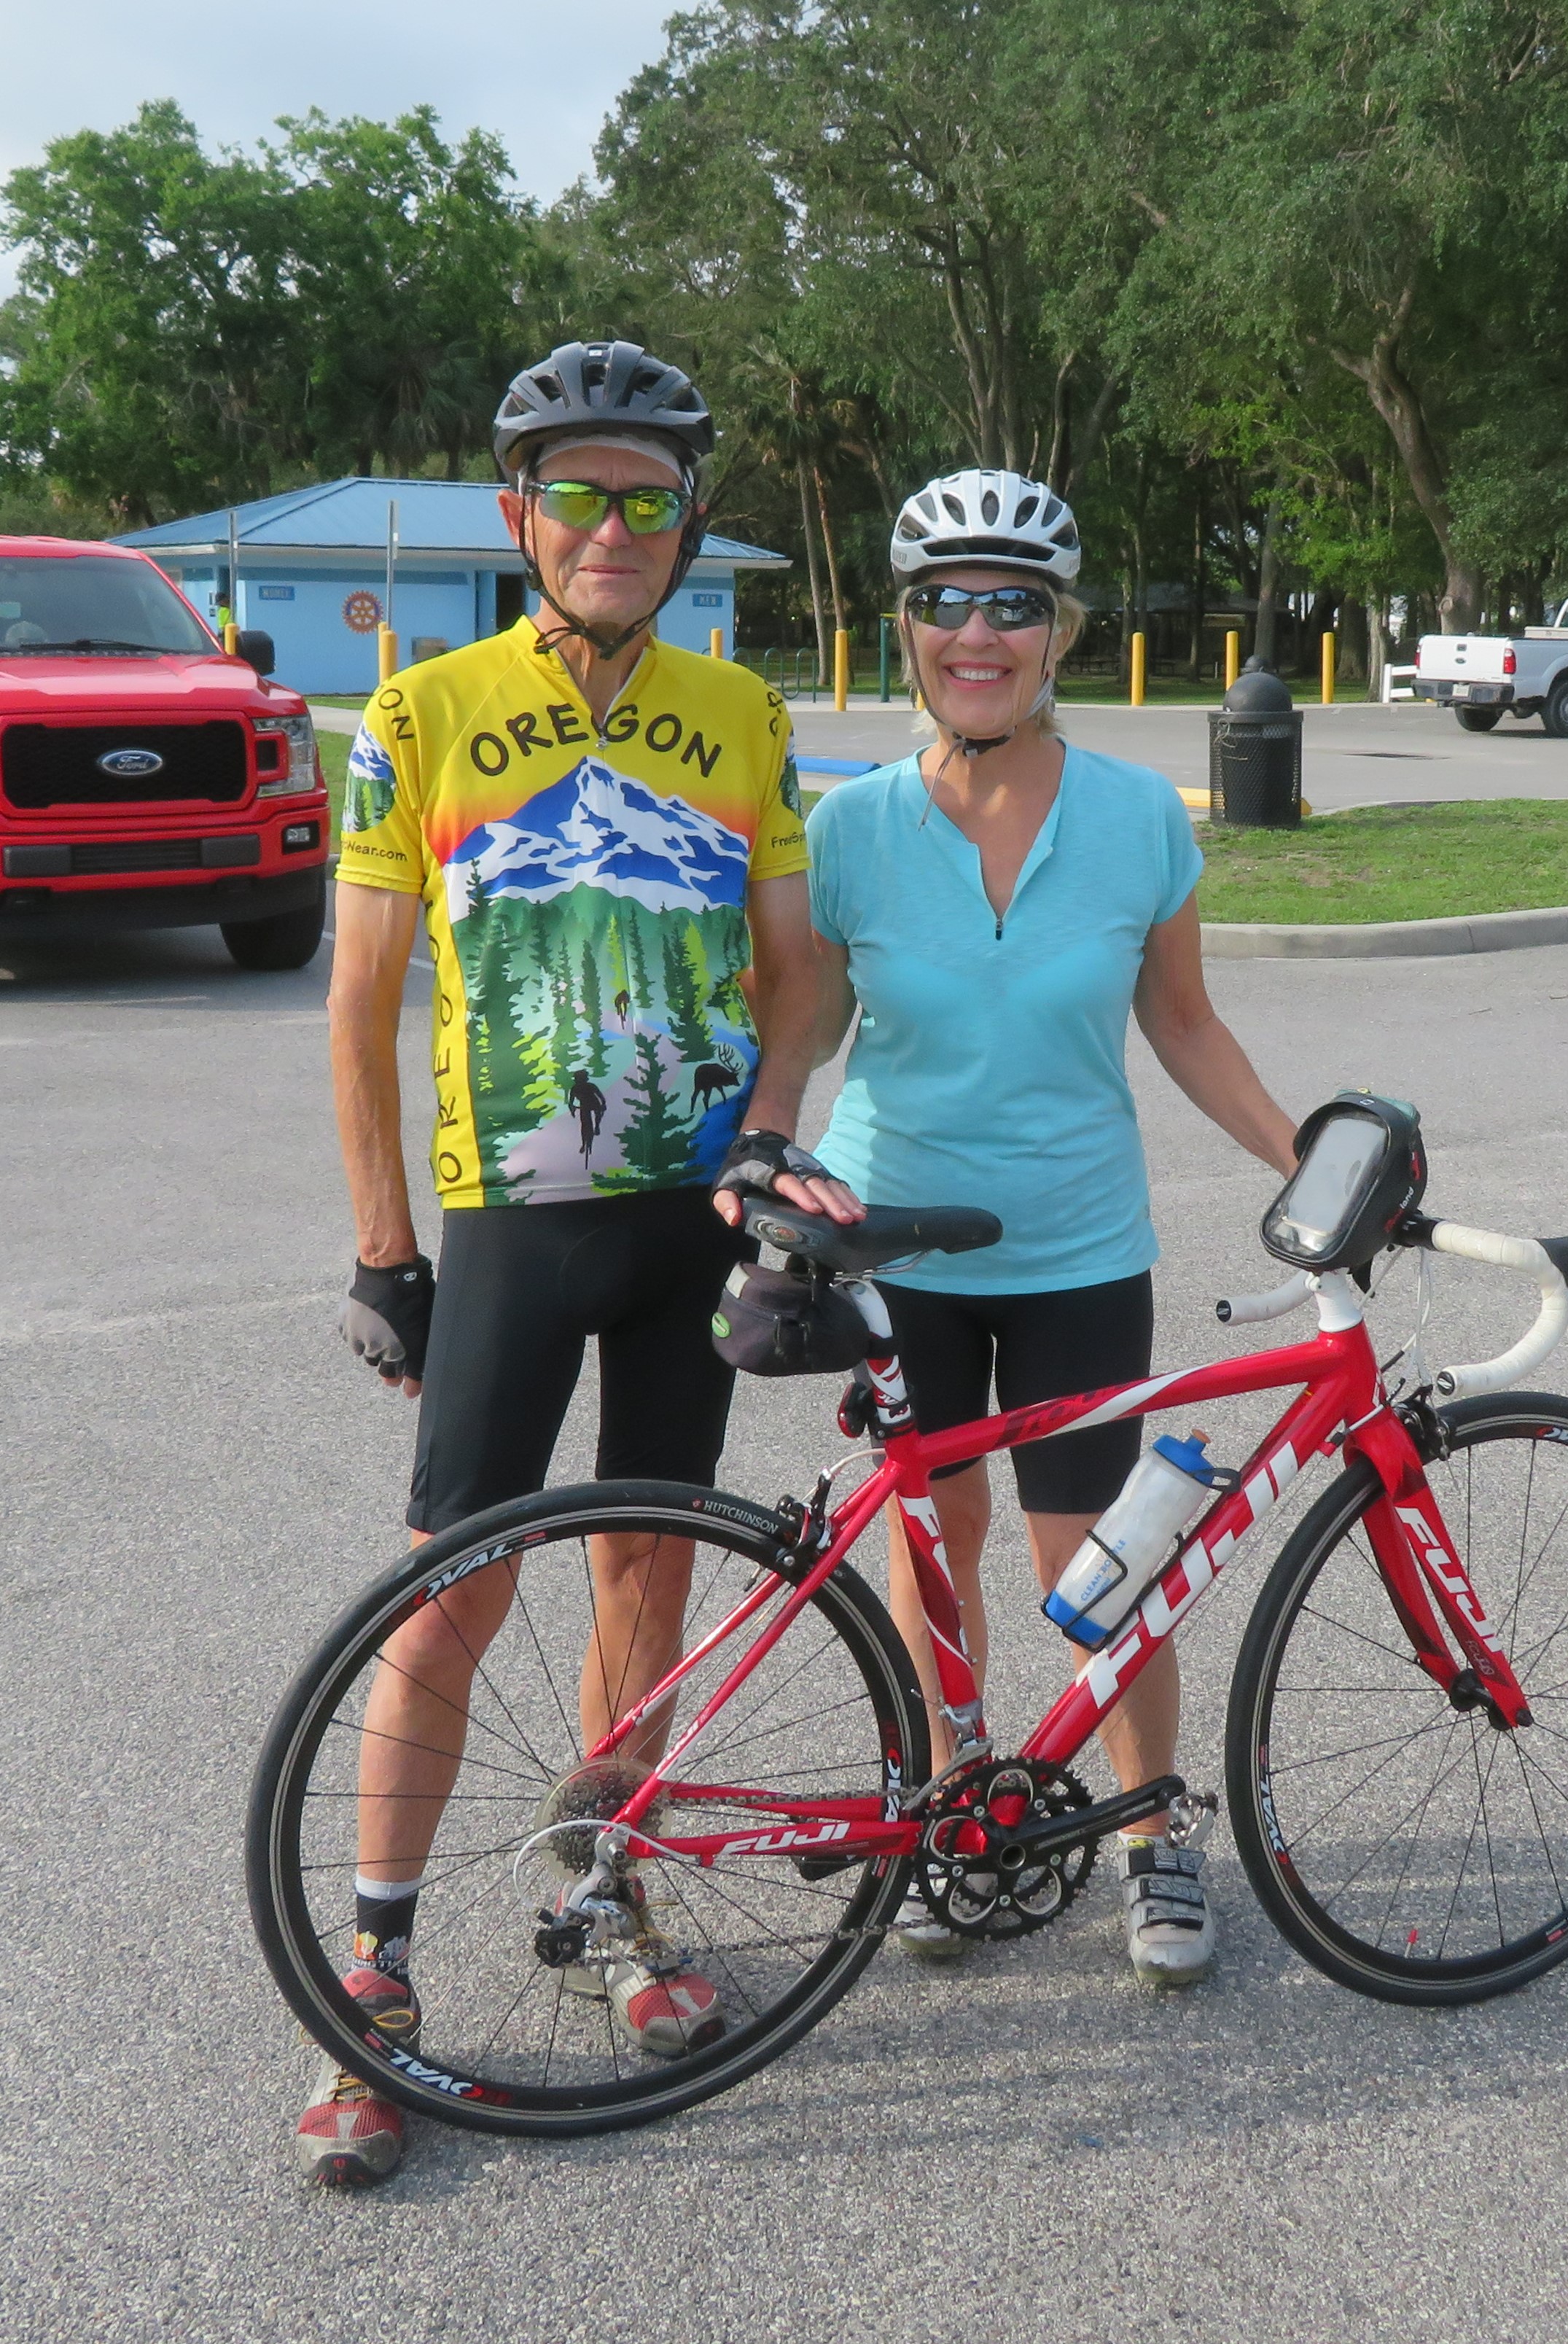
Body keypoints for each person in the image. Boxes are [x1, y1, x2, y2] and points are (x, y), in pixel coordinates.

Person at [298, 338, 857, 2186]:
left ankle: (606, 1887)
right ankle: (370, 1969)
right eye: (577, 495)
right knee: (448, 1589)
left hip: (694, 1220)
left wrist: (770, 1125)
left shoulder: (742, 711)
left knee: (649, 1570)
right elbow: (360, 1001)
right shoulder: (422, 712)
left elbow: (800, 971)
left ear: (686, 520)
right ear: (519, 515)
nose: (612, 527)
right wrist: (385, 1249)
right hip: (513, 1228)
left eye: (648, 497)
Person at [795, 467, 1298, 1987]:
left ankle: (1151, 1827)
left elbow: (1185, 1023)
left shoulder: (1139, 817)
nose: (977, 633)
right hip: (899, 1241)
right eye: (945, 602)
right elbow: (798, 1031)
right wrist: (746, 1160)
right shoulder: (851, 828)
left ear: (1060, 632)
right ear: (905, 626)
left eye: (1012, 605)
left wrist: (1303, 1161)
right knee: (933, 1542)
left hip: (1080, 1244)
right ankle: (950, 1806)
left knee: (1098, 1554)